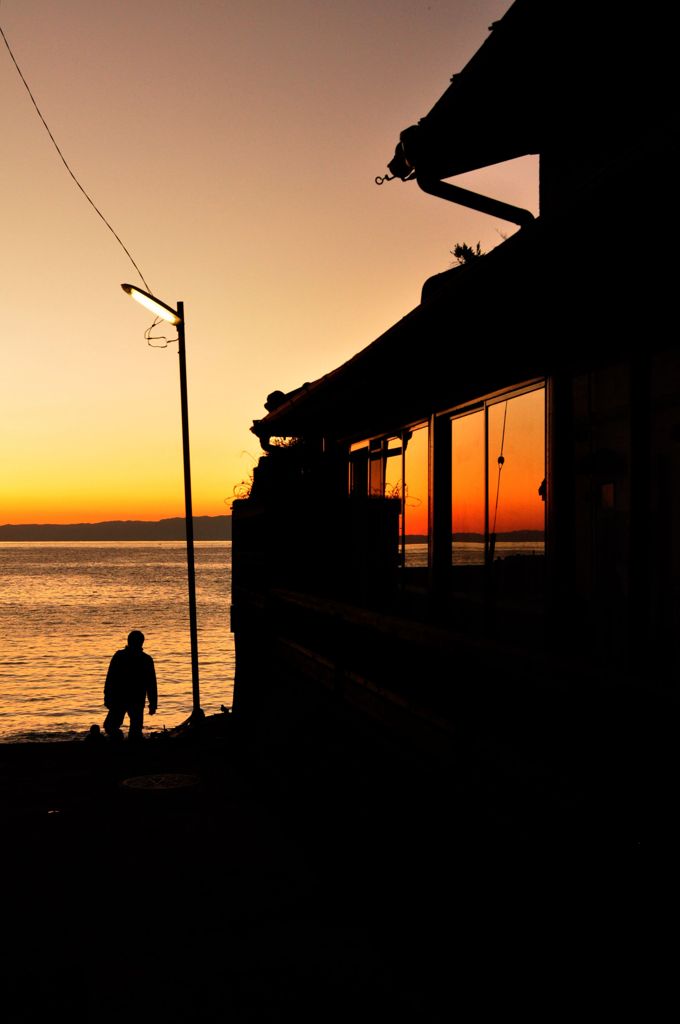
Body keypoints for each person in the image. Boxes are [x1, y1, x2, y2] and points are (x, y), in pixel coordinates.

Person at [103, 630, 157, 741]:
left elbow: (110, 678)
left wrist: (153, 703)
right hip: (126, 698)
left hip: (125, 698)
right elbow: (151, 684)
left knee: (118, 728)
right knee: (112, 727)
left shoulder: (122, 656)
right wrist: (153, 703)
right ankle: (121, 740)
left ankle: (123, 744)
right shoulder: (145, 659)